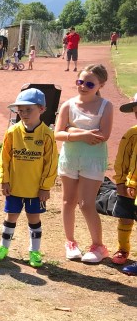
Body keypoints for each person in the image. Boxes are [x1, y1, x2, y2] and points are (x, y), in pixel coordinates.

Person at [0, 88, 58, 268]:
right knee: (11, 217)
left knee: (33, 219)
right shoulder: (12, 132)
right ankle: (3, 246)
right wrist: (4, 180)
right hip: (15, 187)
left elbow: (51, 163)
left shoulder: (47, 134)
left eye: (29, 109)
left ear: (42, 109)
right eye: (21, 110)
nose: (24, 114)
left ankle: (34, 251)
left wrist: (45, 187)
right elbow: (4, 158)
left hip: (36, 190)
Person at [54, 64, 113, 263]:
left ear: (100, 85)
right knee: (68, 201)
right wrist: (83, 134)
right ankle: (70, 242)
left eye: (89, 84)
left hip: (92, 160)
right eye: (80, 81)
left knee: (87, 204)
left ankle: (98, 246)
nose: (83, 86)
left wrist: (72, 130)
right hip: (70, 158)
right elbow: (57, 133)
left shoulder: (106, 106)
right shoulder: (68, 105)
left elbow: (103, 135)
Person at [110, 94, 137, 270]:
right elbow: (122, 160)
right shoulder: (132, 134)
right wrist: (121, 182)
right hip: (128, 187)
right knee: (125, 218)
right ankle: (123, 249)